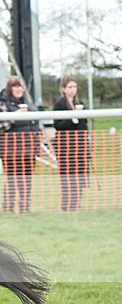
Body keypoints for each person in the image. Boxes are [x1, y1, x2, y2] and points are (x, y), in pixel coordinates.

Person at [0, 76, 40, 214]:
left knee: (27, 180)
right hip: (11, 150)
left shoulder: (28, 103)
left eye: (20, 86)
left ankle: (25, 207)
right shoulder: (2, 103)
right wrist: (15, 115)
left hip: (29, 149)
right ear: (10, 88)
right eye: (15, 86)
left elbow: (36, 125)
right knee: (12, 180)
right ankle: (8, 208)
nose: (19, 89)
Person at [52, 75, 90, 211]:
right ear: (63, 89)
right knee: (67, 177)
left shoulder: (81, 103)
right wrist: (72, 117)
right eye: (70, 87)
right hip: (66, 147)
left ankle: (76, 204)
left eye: (74, 87)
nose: (73, 90)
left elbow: (84, 125)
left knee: (79, 177)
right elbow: (57, 125)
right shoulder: (59, 104)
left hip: (80, 146)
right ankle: (66, 205)